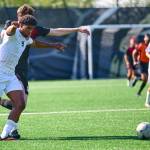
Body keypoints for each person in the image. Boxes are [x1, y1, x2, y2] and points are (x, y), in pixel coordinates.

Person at [0, 4, 90, 110]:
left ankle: (10, 123)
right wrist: (10, 29)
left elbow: (55, 31)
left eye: (29, 16)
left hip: (21, 68)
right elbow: (4, 35)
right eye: (23, 16)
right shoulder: (12, 26)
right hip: (4, 66)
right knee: (19, 104)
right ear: (18, 16)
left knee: (20, 104)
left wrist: (77, 29)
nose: (26, 18)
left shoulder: (34, 29)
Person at [0, 15, 65, 140]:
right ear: (20, 25)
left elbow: (35, 43)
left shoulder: (27, 38)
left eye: (32, 29)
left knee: (20, 104)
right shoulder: (14, 33)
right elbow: (9, 31)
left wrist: (53, 45)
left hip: (10, 74)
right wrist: (13, 26)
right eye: (28, 28)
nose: (30, 31)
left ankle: (4, 134)